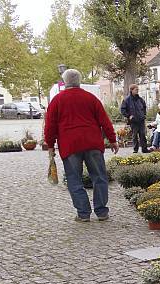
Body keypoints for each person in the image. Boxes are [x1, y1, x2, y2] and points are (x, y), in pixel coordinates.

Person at [44, 69, 118, 222]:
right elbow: (105, 120)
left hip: (70, 145)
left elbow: (50, 126)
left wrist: (50, 145)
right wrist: (112, 139)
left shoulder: (57, 100)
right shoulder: (91, 98)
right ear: (79, 81)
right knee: (99, 177)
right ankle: (102, 211)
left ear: (64, 82)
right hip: (92, 143)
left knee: (74, 179)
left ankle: (83, 213)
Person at [121, 84, 148, 153]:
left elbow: (144, 107)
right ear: (131, 90)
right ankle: (135, 149)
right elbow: (123, 110)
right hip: (133, 121)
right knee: (134, 135)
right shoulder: (126, 100)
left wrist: (144, 115)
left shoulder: (140, 99)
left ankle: (144, 149)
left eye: (138, 89)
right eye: (136, 89)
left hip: (141, 119)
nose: (137, 91)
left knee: (142, 134)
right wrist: (128, 116)